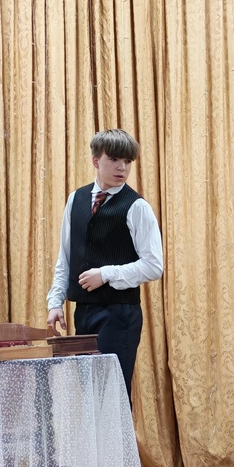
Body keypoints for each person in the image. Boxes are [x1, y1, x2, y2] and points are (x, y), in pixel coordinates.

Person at [46, 129, 163, 401]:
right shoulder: (76, 199)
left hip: (119, 314)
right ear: (96, 161)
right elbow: (66, 257)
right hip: (84, 312)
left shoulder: (137, 207)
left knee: (112, 396)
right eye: (114, 159)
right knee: (89, 397)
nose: (123, 167)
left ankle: (118, 434)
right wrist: (55, 302)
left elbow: (154, 265)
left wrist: (106, 274)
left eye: (128, 161)